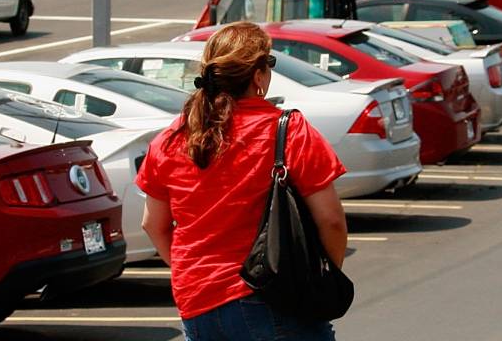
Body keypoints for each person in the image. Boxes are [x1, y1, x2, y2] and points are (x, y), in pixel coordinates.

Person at [137, 21, 349, 340]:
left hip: (198, 308)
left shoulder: (170, 140)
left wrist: (193, 273)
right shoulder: (289, 131)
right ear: (258, 76)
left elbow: (153, 225)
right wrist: (320, 279)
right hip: (273, 298)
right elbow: (331, 220)